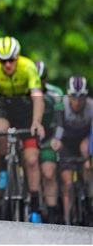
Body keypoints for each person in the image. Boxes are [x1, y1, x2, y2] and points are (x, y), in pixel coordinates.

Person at [0, 36, 45, 223]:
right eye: (3, 61)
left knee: (31, 160)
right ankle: (5, 167)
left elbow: (37, 96)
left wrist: (36, 122)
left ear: (18, 57)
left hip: (25, 110)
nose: (7, 65)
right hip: (4, 107)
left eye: (11, 60)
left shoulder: (28, 67)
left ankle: (35, 208)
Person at [51, 76, 92, 225]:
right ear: (68, 95)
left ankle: (88, 194)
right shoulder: (61, 105)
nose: (78, 100)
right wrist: (56, 141)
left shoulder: (91, 107)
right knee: (68, 183)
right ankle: (67, 217)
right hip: (66, 144)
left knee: (86, 155)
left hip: (84, 141)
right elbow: (59, 127)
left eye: (81, 96)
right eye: (74, 96)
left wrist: (88, 158)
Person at [35, 61, 64, 224]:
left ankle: (52, 212)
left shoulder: (55, 93)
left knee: (48, 172)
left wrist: (57, 139)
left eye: (42, 80)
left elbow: (60, 122)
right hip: (28, 136)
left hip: (49, 139)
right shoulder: (23, 92)